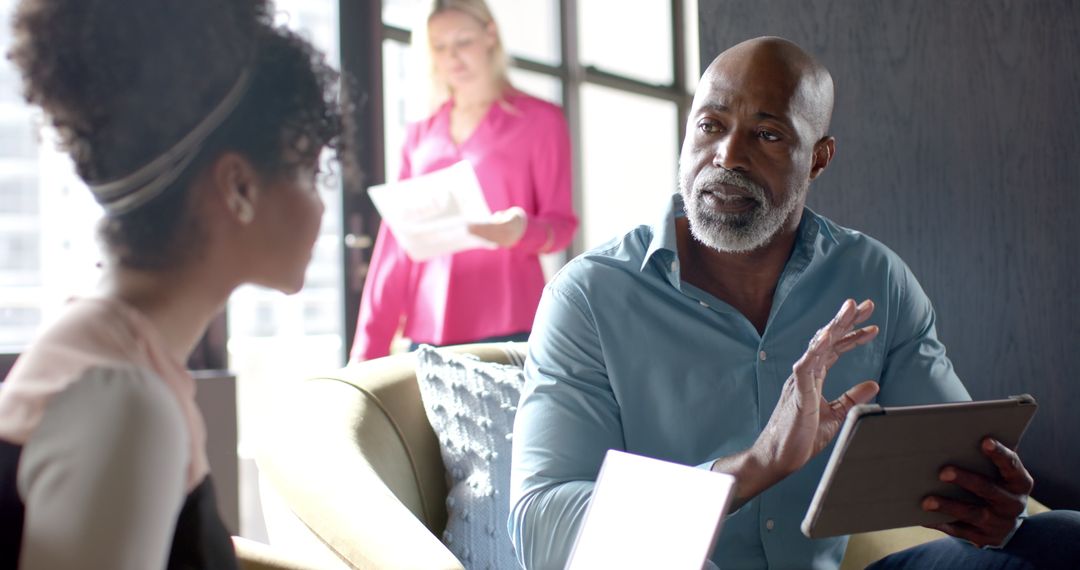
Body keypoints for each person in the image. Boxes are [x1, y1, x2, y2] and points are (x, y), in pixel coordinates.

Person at [508, 36, 1080, 569]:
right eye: (710, 125)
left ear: (819, 158)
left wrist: (989, 505)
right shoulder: (589, 296)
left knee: (1063, 537)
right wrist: (755, 467)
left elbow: (955, 463)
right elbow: (542, 528)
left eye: (767, 134)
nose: (727, 156)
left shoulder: (872, 278)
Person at [0, 0, 346, 567]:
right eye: (310, 170)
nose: (321, 204)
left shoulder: (102, 344)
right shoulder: (127, 405)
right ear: (238, 188)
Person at [349, 0, 578, 361]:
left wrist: (521, 231)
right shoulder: (420, 134)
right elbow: (394, 248)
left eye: (463, 41)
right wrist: (367, 353)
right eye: (439, 46)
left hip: (510, 320)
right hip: (428, 330)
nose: (452, 57)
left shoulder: (541, 121)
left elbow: (561, 227)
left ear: (490, 35)